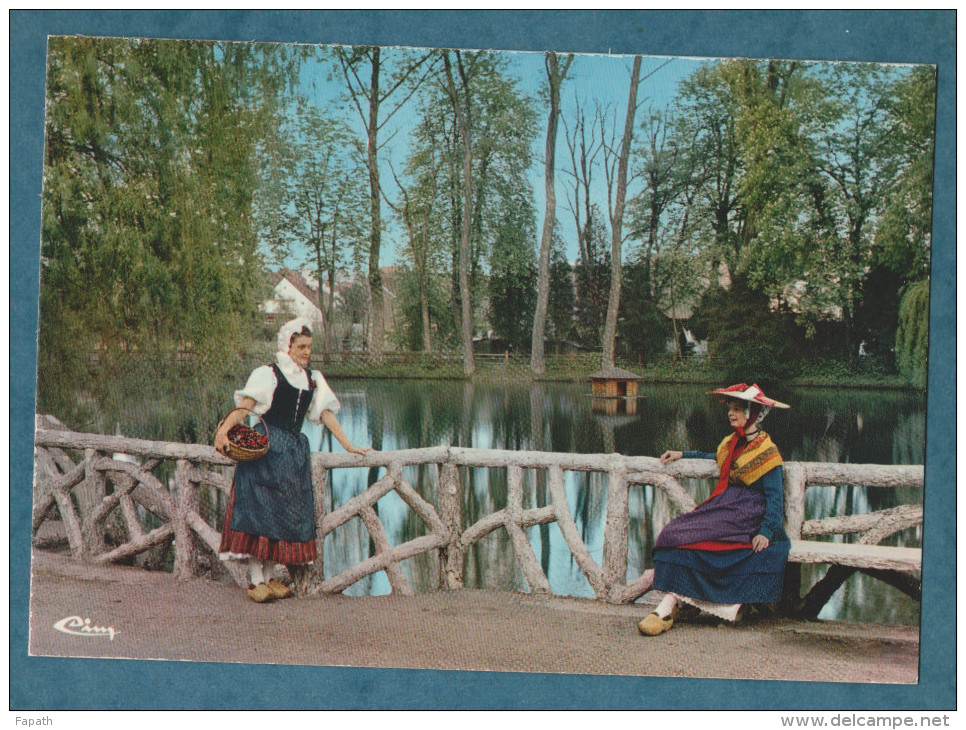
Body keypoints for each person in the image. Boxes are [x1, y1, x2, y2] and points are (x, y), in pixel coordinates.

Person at [215, 317, 369, 603]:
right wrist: (223, 431)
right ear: (288, 345)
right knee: (258, 511)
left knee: (281, 513)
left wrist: (349, 445)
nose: (306, 352)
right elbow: (245, 407)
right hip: (265, 448)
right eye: (301, 346)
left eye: (309, 347)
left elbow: (325, 414)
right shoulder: (269, 374)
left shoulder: (312, 379)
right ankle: (255, 580)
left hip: (293, 453)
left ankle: (271, 577)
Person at [639, 383, 790, 636]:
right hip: (727, 505)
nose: (731, 414)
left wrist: (765, 531)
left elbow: (775, 498)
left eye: (738, 409)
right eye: (730, 408)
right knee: (673, 532)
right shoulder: (732, 443)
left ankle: (677, 606)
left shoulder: (767, 451)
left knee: (699, 539)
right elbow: (715, 457)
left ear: (753, 413)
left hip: (748, 512)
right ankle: (672, 603)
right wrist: (682, 454)